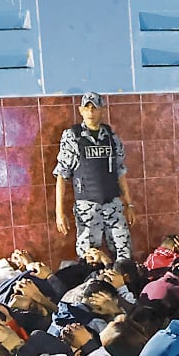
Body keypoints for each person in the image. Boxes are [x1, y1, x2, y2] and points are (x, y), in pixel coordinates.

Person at [54, 93, 136, 261]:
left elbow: (120, 171)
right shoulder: (73, 137)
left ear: (102, 110)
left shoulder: (111, 137)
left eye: (95, 108)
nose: (91, 112)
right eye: (87, 108)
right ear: (81, 110)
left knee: (124, 255)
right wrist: (59, 212)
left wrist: (129, 204)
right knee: (90, 259)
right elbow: (62, 175)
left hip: (113, 204)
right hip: (87, 207)